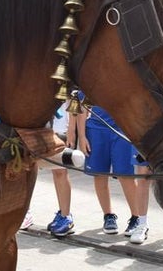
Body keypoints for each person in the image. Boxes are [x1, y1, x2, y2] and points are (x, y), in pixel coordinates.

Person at [83, 105, 140, 238]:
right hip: (96, 129)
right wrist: (81, 136)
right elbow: (82, 106)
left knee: (125, 175)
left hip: (122, 129)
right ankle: (108, 215)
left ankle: (137, 217)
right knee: (99, 174)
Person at [44, 100, 85, 237]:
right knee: (54, 171)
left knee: (60, 171)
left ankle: (66, 215)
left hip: (61, 128)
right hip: (43, 128)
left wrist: (71, 130)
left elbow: (73, 99)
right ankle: (62, 213)